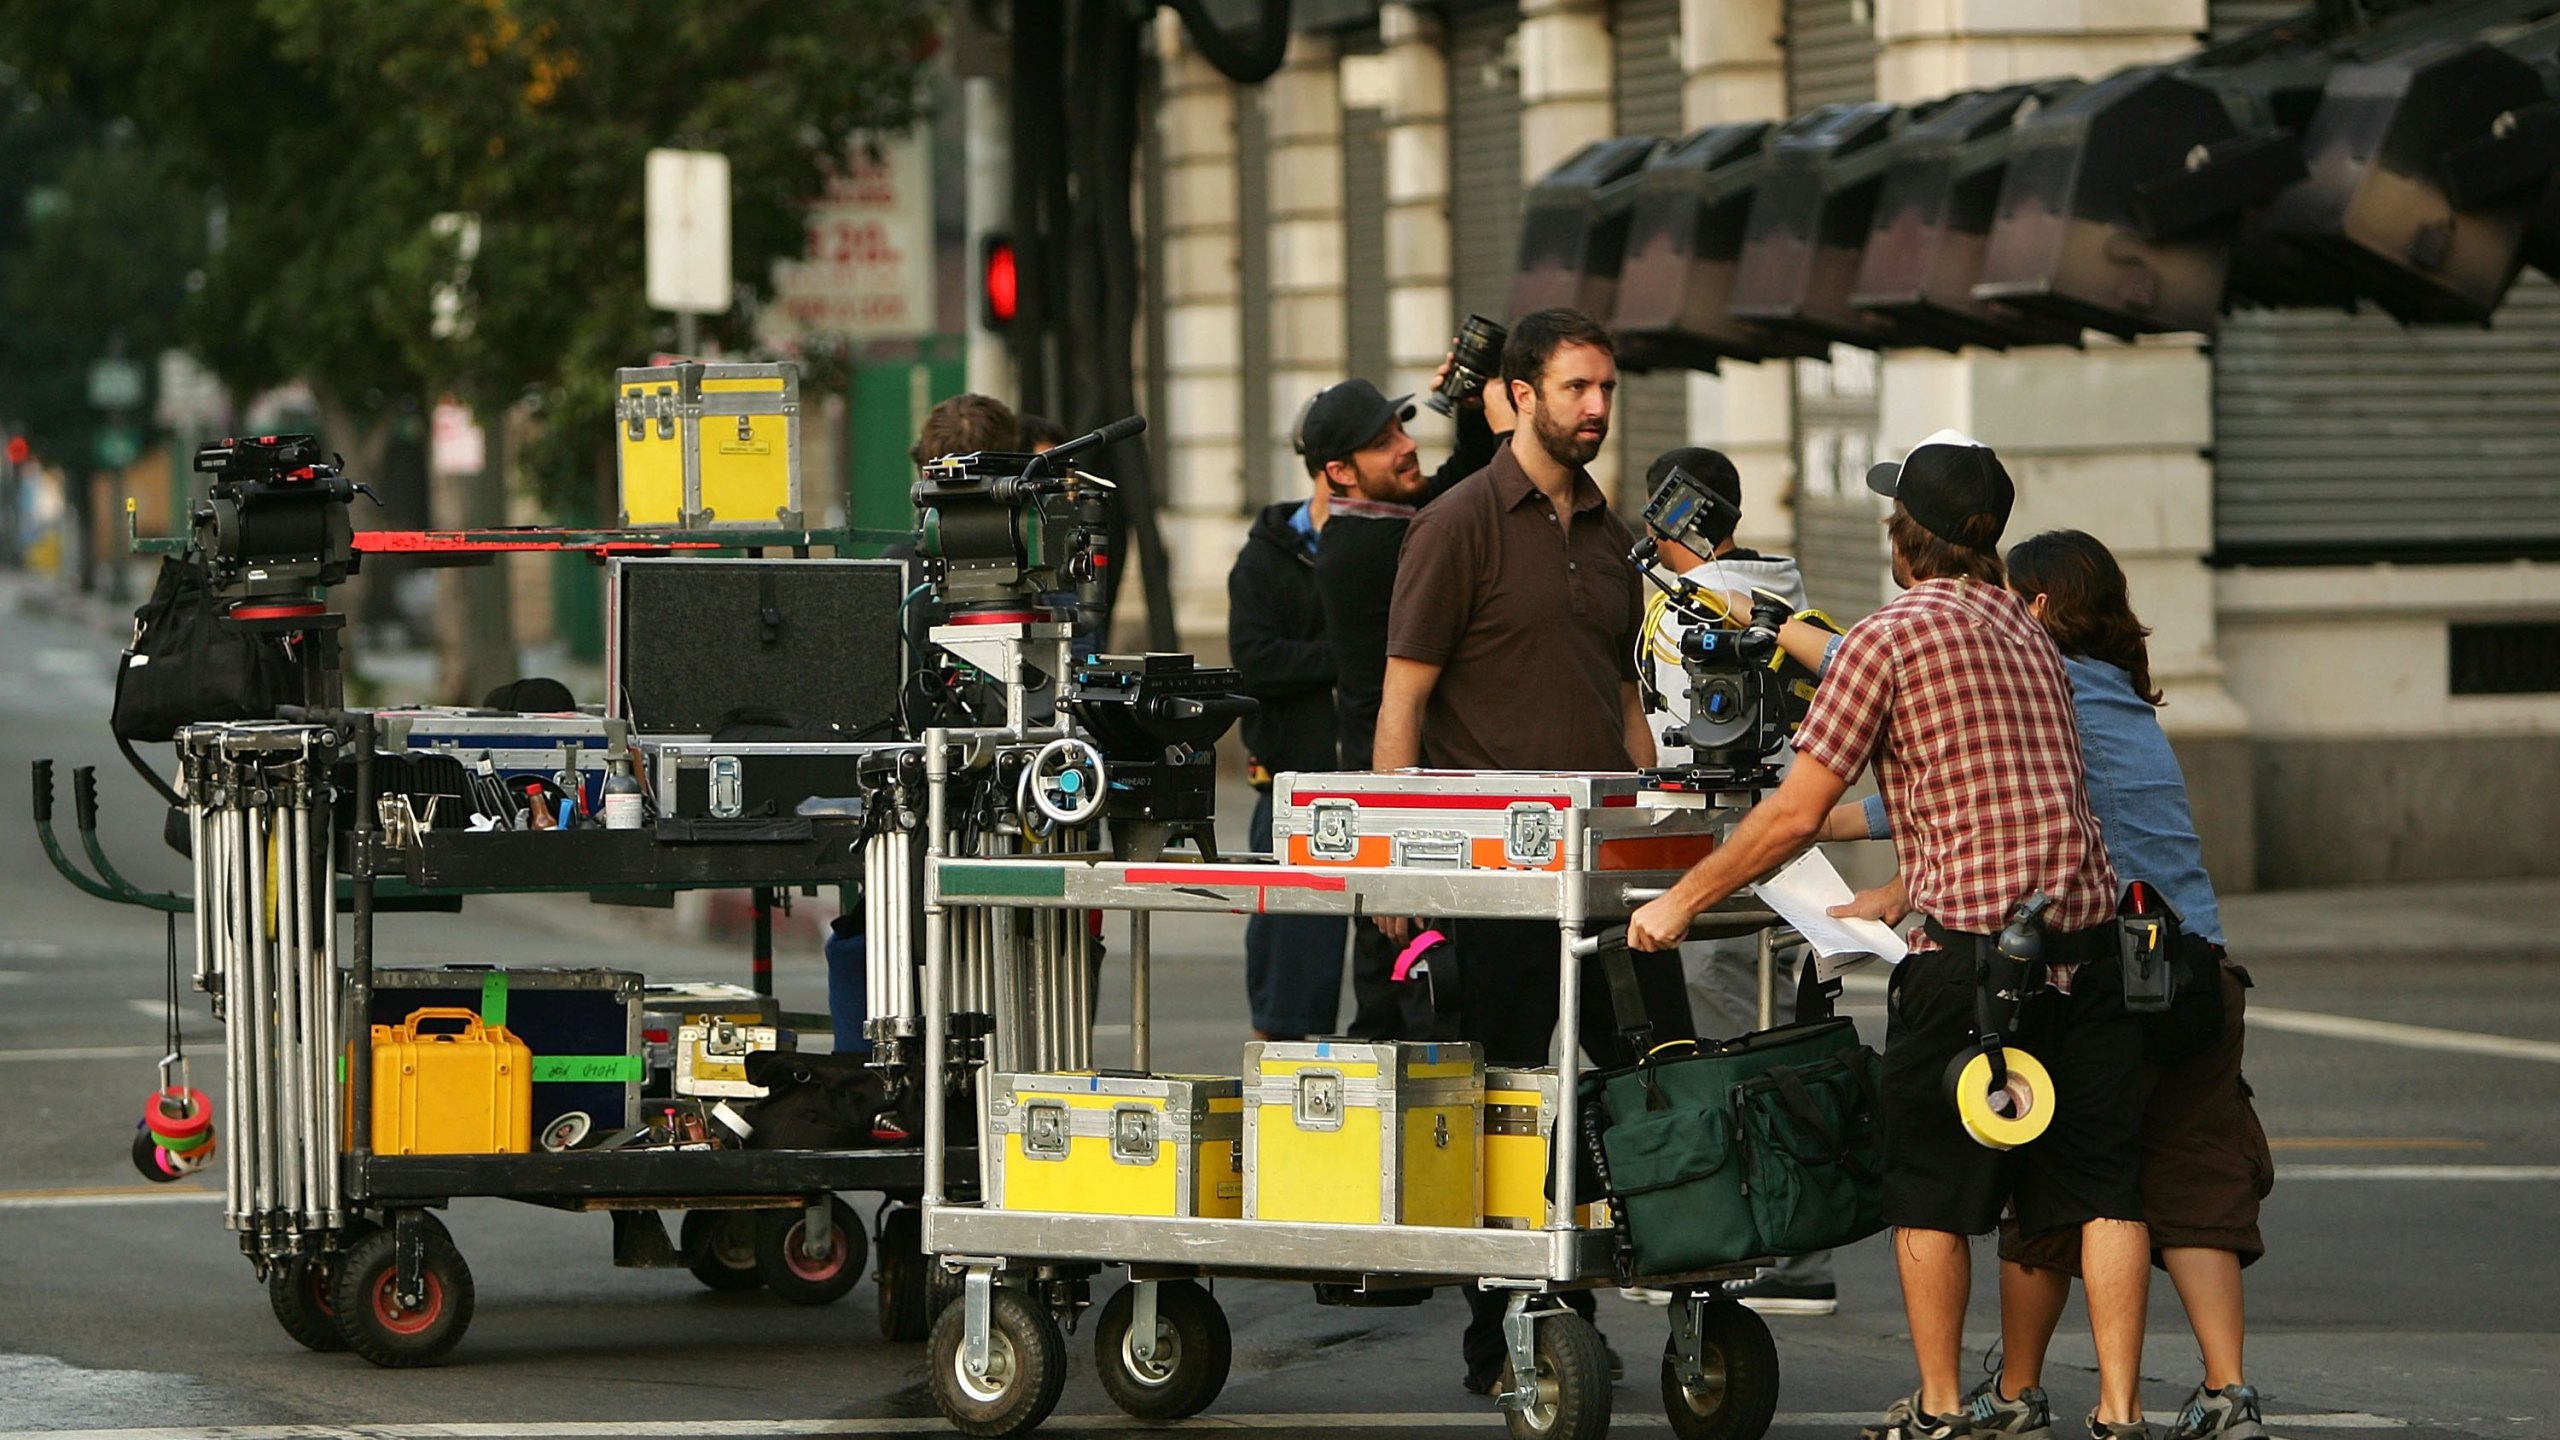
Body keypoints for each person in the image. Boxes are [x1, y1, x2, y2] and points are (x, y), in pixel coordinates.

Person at [1624, 430, 2150, 1440]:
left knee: (1931, 1195)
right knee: (2101, 1191)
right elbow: (2018, 798)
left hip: (1970, 969)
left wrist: (1679, 902)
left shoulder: (1889, 637)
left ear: (1901, 535)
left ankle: (1944, 1408)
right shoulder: (2029, 632)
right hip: (2083, 952)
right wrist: (1905, 884)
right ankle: (2120, 1414)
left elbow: (1789, 815)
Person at [1377, 306, 1690, 1394]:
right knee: (1512, 1097)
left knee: (1663, 1080)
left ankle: (1677, 1290)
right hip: (1494, 877)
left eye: (1606, 389)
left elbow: (1622, 698)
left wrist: (1657, 823)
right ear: (1517, 393)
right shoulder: (1456, 523)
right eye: (1575, 390)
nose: (1596, 409)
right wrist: (1392, 870)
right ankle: (1505, 1324)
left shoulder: (1613, 539)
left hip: (1613, 873)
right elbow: (1402, 701)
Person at [1970, 530, 2272, 1440]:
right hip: (2203, 973)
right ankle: (2228, 1393)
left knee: (2060, 1180)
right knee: (2196, 1185)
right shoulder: (2124, 697)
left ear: (2038, 609)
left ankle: (2019, 1391)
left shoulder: (2053, 696)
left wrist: (1839, 818)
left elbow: (1971, 792)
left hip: (2117, 974)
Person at [1633, 445, 1838, 1315]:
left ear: (1674, 517)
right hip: (1789, 847)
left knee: (1731, 1056)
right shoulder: (1783, 596)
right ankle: (1792, 1246)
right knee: (1784, 1043)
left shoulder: (1711, 609)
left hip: (1724, 849)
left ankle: (1769, 1255)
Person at [1306, 360, 1511, 1039]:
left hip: (1412, 797)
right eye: (1382, 442)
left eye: (1401, 427)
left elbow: (1459, 483)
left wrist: (1472, 399)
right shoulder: (1365, 548)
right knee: (1399, 1009)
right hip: (1394, 796)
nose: (1405, 445)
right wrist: (1390, 850)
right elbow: (1473, 494)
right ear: (1339, 471)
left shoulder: (1392, 522)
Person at [1225, 428, 1346, 1041]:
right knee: (1288, 993)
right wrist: (1344, 655)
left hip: (1379, 781)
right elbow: (1253, 663)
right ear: (1335, 470)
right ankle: (1277, 1100)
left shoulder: (1392, 541)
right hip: (1293, 787)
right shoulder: (1267, 556)